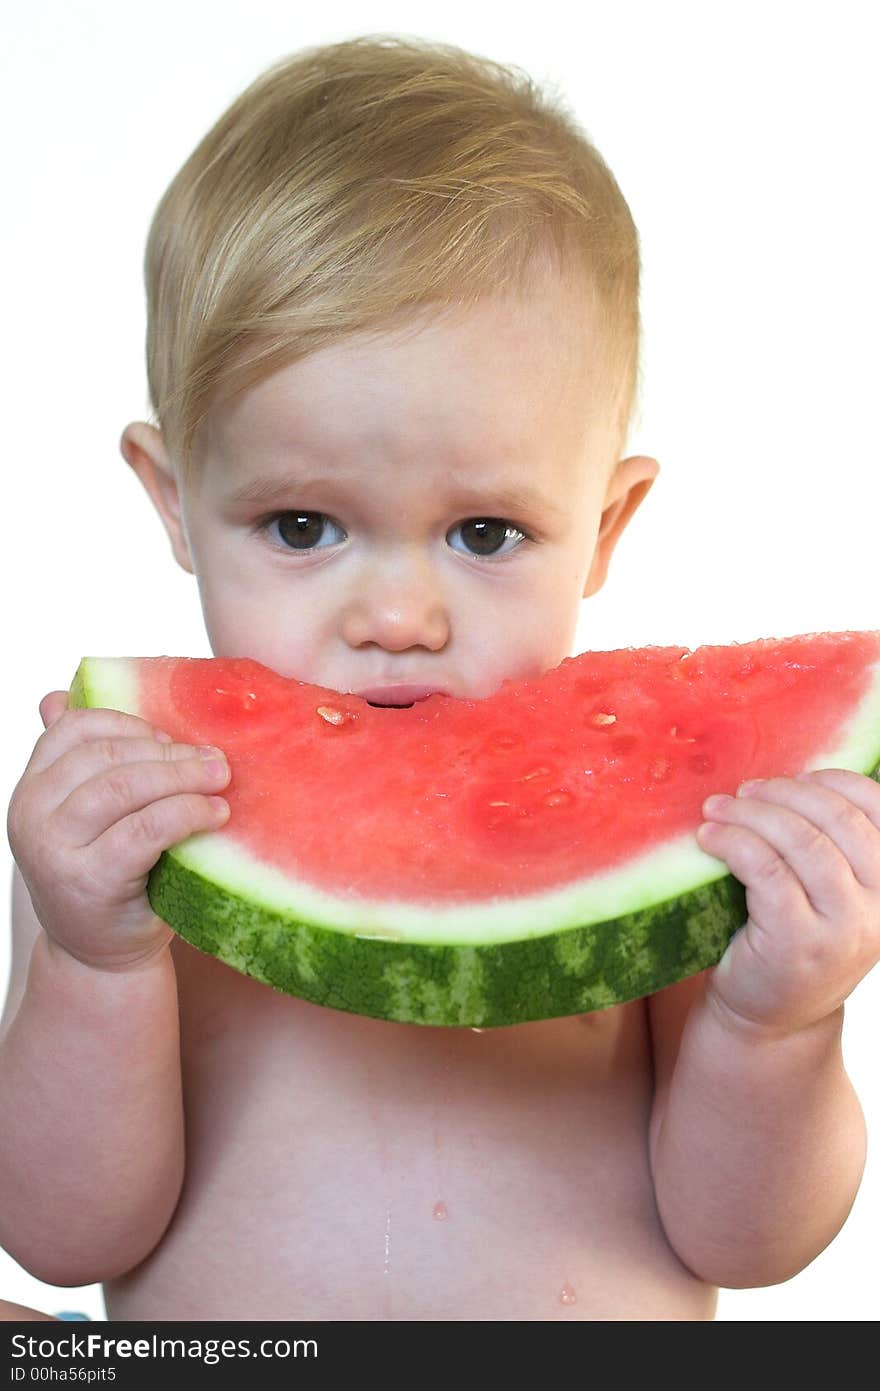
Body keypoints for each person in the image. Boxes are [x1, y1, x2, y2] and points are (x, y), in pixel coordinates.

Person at [2, 33, 878, 1323]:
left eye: (486, 533)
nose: (401, 617)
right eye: (302, 527)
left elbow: (744, 1245)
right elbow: (60, 1236)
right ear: (174, 502)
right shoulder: (132, 841)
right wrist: (92, 966)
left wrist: (775, 1031)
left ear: (607, 525)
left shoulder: (696, 846)